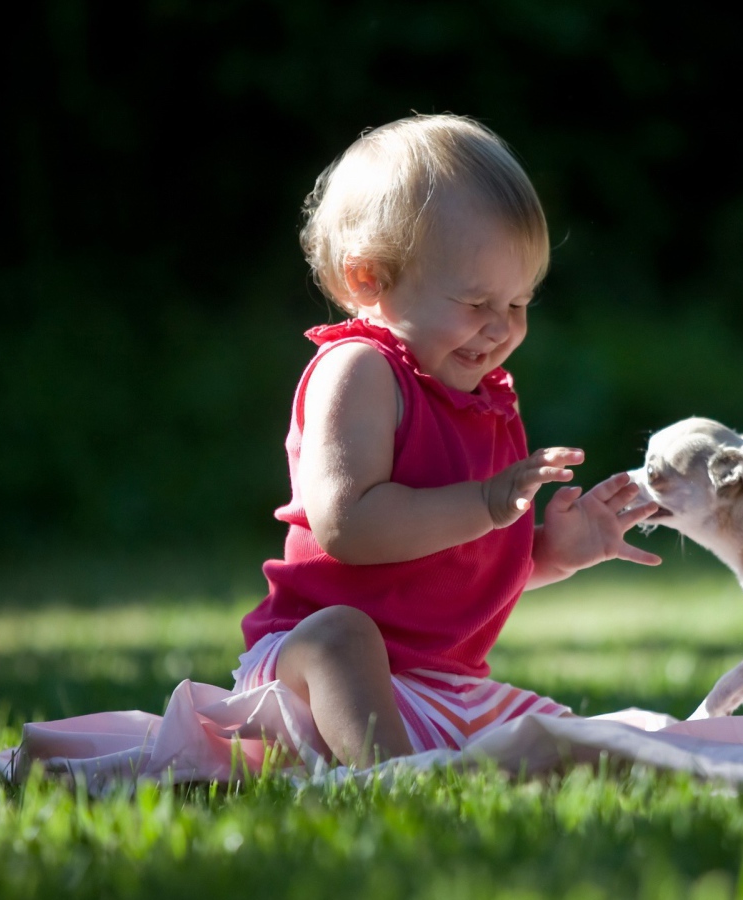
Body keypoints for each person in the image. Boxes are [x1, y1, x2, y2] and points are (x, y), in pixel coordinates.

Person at [234, 114, 662, 768]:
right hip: (309, 679)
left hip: (436, 690)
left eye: (519, 305)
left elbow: (455, 565)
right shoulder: (361, 370)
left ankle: (413, 764)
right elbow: (348, 525)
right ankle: (394, 781)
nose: (499, 329)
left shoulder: (483, 398)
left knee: (587, 753)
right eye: (475, 302)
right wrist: (489, 502)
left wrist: (552, 553)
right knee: (343, 637)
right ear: (368, 279)